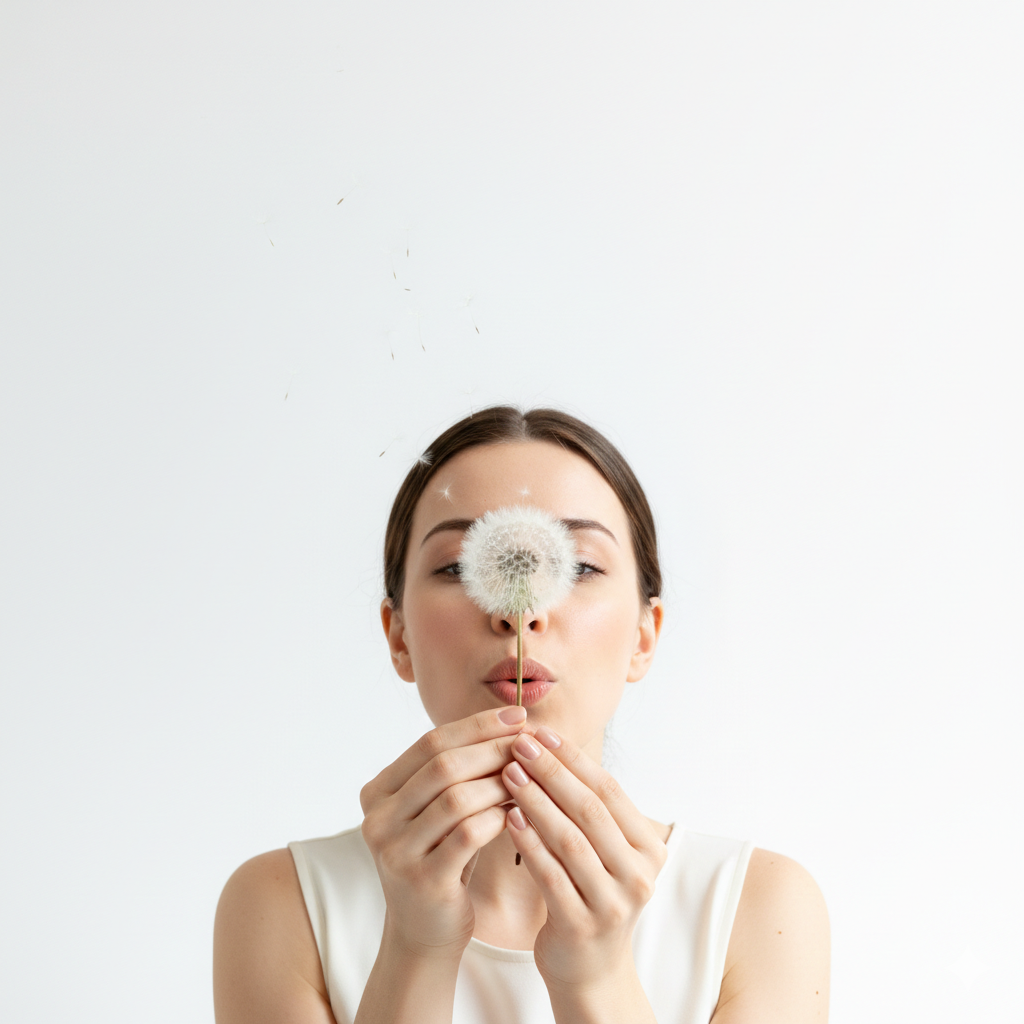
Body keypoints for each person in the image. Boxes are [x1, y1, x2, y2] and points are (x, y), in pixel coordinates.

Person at [213, 405, 830, 1023]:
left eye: (579, 565)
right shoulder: (280, 904)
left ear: (644, 635)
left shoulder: (759, 909)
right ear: (397, 635)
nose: (519, 612)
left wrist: (596, 974)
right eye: (458, 566)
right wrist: (416, 946)